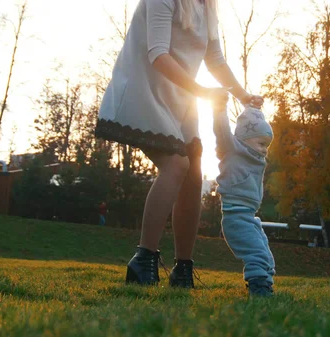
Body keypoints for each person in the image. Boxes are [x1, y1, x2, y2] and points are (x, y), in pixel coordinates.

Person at [95, 0, 263, 287]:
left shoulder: (207, 6)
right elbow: (157, 54)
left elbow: (215, 59)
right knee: (176, 164)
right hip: (144, 91)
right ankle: (143, 260)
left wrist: (243, 95)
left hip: (180, 98)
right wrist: (202, 91)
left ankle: (183, 269)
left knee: (194, 174)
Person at [212, 97, 275, 297]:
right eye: (262, 143)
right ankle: (258, 287)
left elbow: (253, 122)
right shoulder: (232, 149)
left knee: (265, 253)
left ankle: (265, 282)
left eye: (267, 145)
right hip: (235, 216)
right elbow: (222, 132)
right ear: (245, 138)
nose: (265, 149)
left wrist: (253, 107)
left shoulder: (256, 158)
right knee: (255, 252)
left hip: (249, 216)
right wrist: (219, 106)